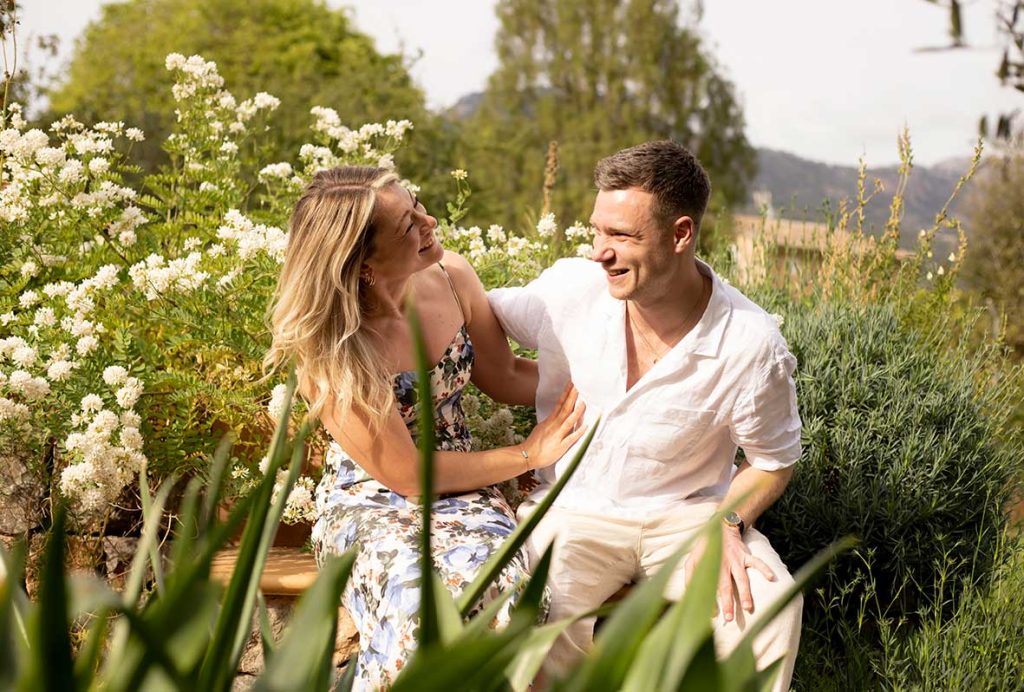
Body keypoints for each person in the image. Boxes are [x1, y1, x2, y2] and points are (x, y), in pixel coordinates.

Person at [488, 141, 803, 690]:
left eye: (621, 236)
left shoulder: (752, 344)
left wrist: (727, 523)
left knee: (767, 610)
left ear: (680, 234)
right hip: (574, 512)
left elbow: (773, 462)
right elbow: (474, 309)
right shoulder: (569, 288)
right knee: (533, 608)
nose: (599, 252)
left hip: (689, 517)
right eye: (597, 231)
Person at [264, 166, 585, 689]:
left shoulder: (452, 278)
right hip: (371, 500)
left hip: (468, 493)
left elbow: (504, 376)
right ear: (363, 261)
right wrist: (530, 453)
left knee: (496, 585)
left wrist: (603, 385)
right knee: (419, 606)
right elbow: (407, 476)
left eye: (418, 205)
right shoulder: (333, 343)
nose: (429, 222)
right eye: (409, 226)